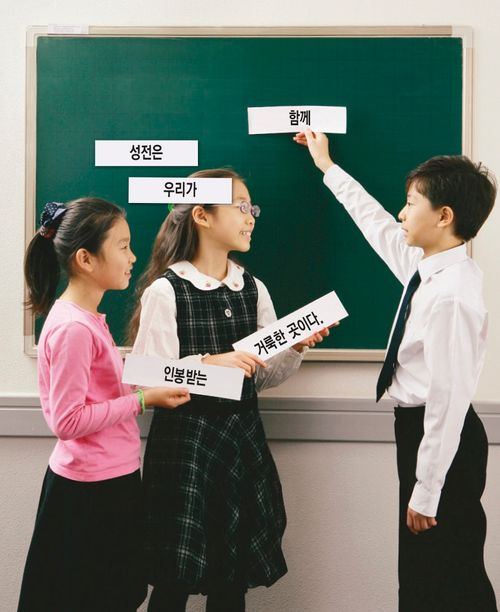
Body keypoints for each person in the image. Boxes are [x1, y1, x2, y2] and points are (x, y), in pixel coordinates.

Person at [294, 130, 498, 611]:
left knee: (448, 579)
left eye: (411, 203)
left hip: (440, 438)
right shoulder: (428, 268)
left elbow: (448, 400)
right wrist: (327, 167)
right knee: (427, 575)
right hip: (422, 432)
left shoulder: (452, 295)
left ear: (444, 217)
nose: (402, 213)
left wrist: (427, 490)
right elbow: (376, 224)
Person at [128, 168, 330, 612]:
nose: (251, 217)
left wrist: (292, 346)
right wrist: (209, 363)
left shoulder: (253, 289)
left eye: (251, 208)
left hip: (240, 443)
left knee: (230, 579)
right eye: (240, 206)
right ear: (201, 215)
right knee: (173, 579)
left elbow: (262, 375)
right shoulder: (167, 291)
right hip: (186, 449)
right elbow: (146, 376)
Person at [18, 198, 190, 612]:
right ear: (86, 259)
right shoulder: (75, 328)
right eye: (123, 246)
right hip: (89, 492)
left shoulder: (88, 319)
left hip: (110, 479)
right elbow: (67, 420)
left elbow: (100, 391)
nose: (134, 257)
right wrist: (143, 400)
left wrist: (177, 373)